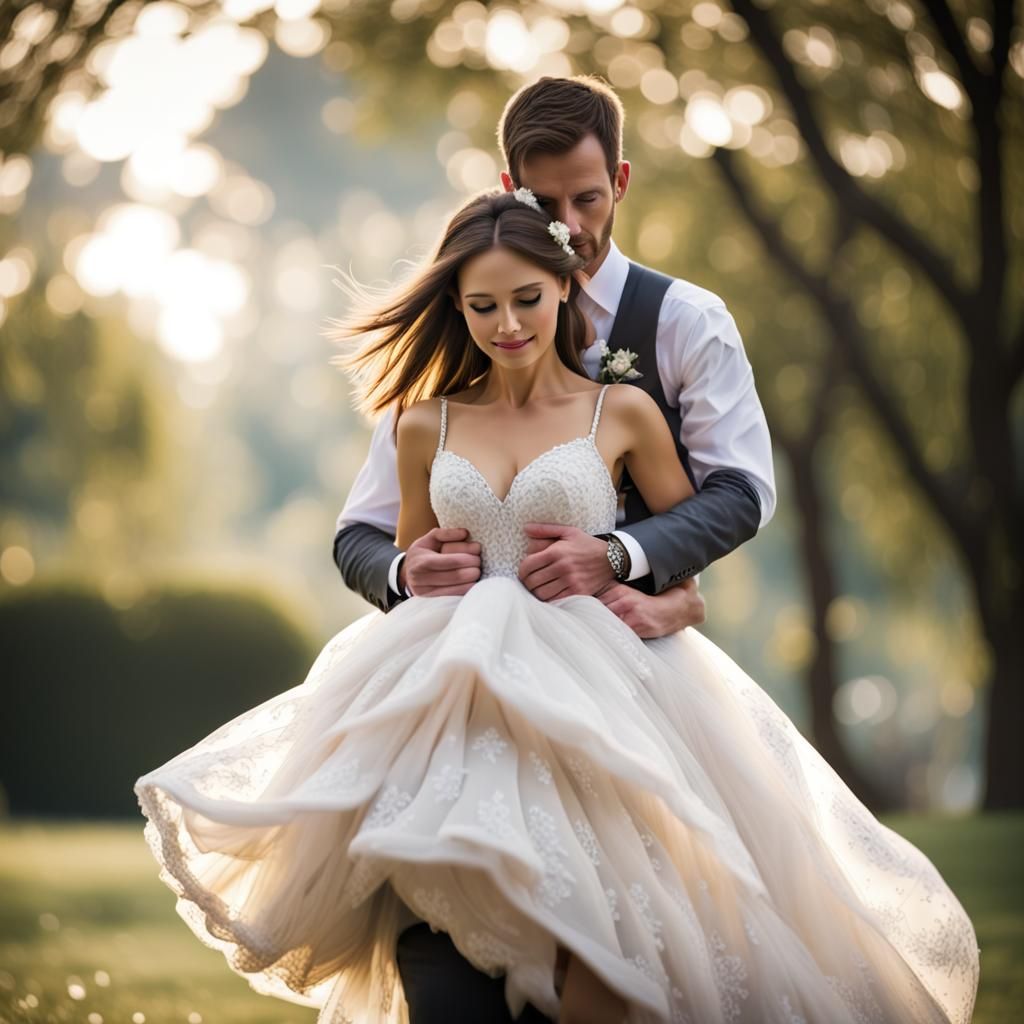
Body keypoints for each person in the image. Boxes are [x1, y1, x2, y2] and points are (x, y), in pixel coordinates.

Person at [135, 189, 978, 1024]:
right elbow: (404, 554)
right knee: (440, 911)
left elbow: (686, 580)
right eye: (483, 306)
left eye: (527, 298)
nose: (507, 324)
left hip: (595, 686)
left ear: (567, 287)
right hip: (450, 690)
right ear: (456, 307)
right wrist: (409, 568)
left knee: (613, 938)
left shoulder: (626, 412)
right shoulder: (420, 424)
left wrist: (654, 596)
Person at [334, 76, 776, 643]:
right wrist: (404, 572)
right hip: (463, 645)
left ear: (619, 182)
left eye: (587, 198)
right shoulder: (471, 331)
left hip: (617, 642)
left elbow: (741, 493)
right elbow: (362, 533)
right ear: (508, 191)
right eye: (544, 203)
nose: (568, 226)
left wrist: (627, 562)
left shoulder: (687, 321)